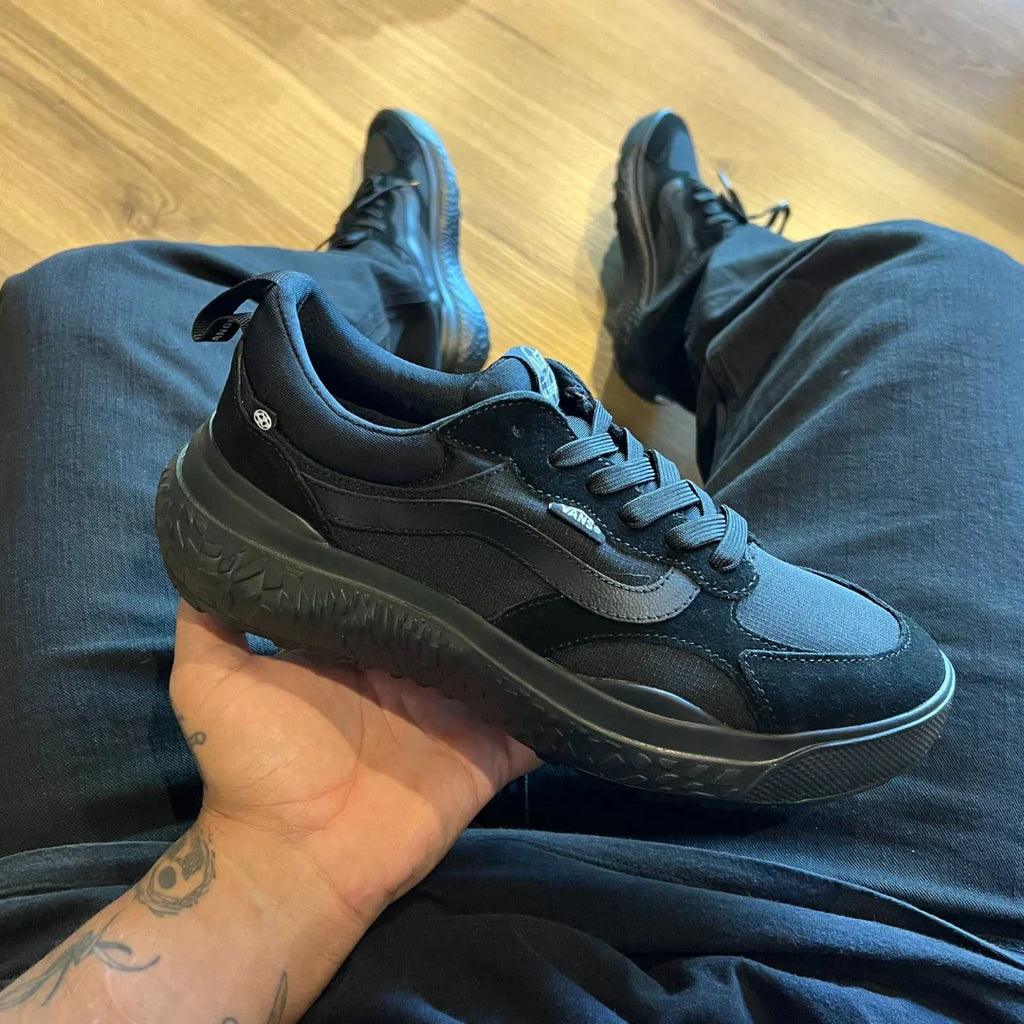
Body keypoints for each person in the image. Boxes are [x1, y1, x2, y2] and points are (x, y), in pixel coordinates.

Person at [0, 106, 1021, 1022]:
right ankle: (707, 281)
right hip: (853, 952)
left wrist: (274, 868)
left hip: (143, 917)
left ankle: (389, 288)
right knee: (925, 275)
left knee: (96, 293)